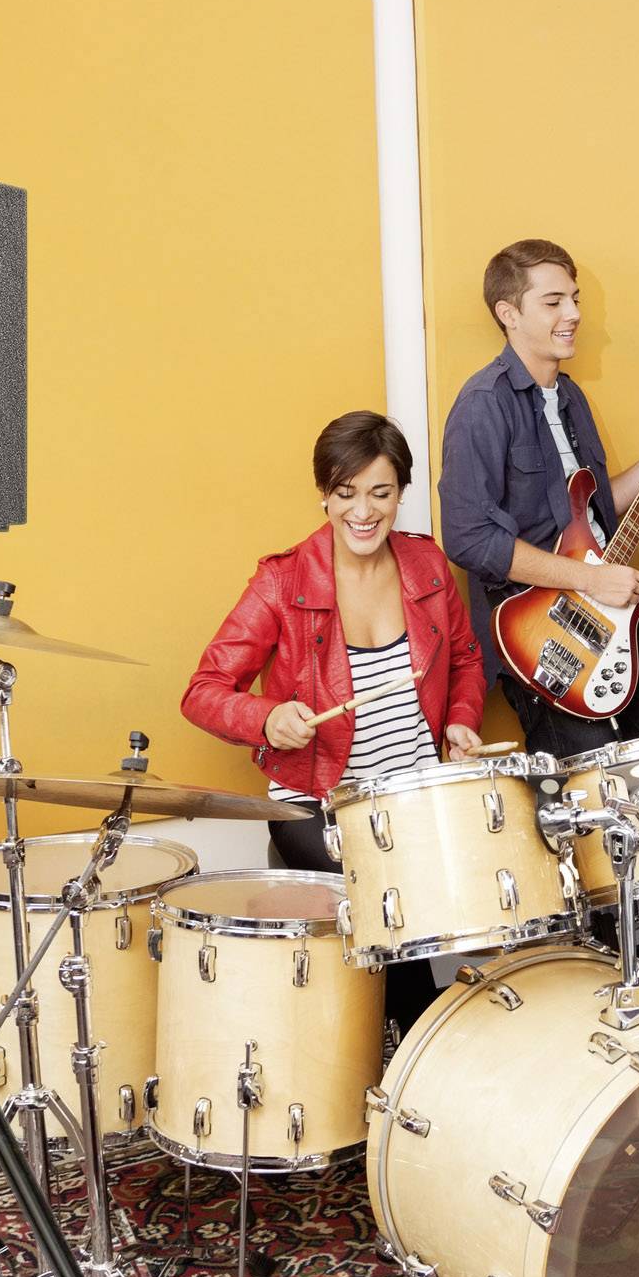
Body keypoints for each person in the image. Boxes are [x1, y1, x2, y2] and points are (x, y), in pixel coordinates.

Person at [181, 409, 486, 1032]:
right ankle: (424, 1048)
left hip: (409, 795)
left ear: (401, 492)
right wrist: (267, 719)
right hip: (315, 804)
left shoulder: (426, 566)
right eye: (346, 494)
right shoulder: (282, 581)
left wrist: (459, 719)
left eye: (380, 493)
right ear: (325, 494)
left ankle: (422, 1047)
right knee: (387, 894)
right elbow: (203, 692)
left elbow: (464, 657)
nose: (363, 512)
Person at [438, 238, 639, 958]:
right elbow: (468, 538)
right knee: (597, 808)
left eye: (574, 298)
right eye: (555, 301)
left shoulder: (571, 397)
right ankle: (610, 973)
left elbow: (592, 520)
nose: (574, 314)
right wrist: (591, 580)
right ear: (508, 312)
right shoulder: (482, 406)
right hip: (542, 639)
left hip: (610, 617)